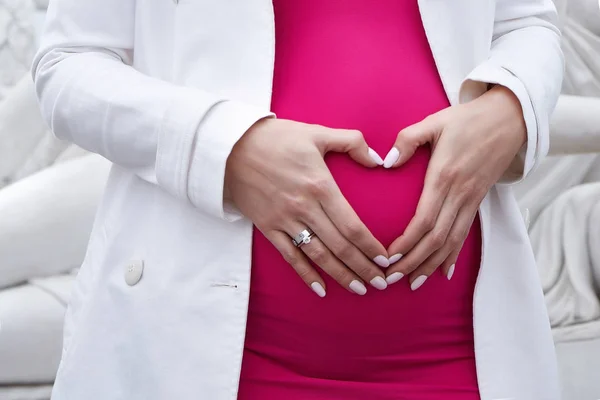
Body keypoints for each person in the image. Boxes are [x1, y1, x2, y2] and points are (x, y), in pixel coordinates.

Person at [32, 0, 564, 399]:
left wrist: (511, 107)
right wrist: (223, 148)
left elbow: (527, 24)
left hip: (460, 361)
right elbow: (69, 65)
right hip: (225, 361)